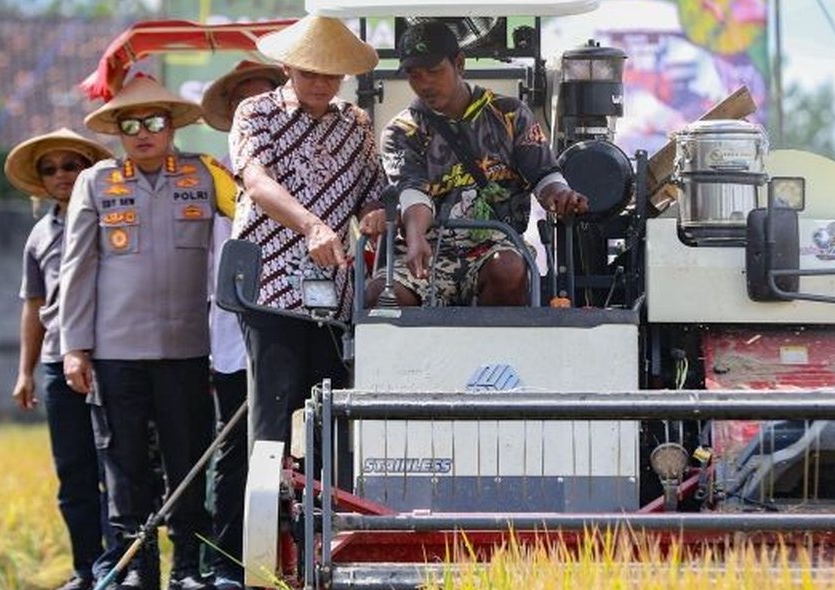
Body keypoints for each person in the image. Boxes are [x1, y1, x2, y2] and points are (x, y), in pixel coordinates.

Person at [59, 75, 237, 590]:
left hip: (186, 348)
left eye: (154, 121)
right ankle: (136, 569)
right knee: (125, 464)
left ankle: (187, 570)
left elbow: (248, 218)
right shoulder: (96, 182)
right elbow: (77, 268)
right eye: (130, 124)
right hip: (116, 350)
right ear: (117, 131)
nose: (142, 133)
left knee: (188, 461)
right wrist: (74, 346)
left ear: (171, 125)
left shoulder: (204, 175)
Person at [230, 14, 386, 450]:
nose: (320, 83)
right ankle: (271, 491)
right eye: (310, 72)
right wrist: (312, 226)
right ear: (287, 68)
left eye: (331, 74)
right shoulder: (255, 112)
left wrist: (375, 214)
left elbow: (373, 192)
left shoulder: (356, 123)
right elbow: (257, 182)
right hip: (270, 285)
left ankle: (324, 493)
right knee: (273, 411)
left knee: (330, 412)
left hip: (333, 292)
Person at [366, 21, 588, 308]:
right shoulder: (401, 131)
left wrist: (561, 195)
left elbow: (544, 175)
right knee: (381, 294)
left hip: (496, 243)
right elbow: (412, 193)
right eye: (414, 75)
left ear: (459, 64)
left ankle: (499, 340)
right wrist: (416, 235)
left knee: (507, 267)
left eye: (434, 71)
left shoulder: (510, 114)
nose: (425, 84)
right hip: (427, 249)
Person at [5, 128, 115, 590]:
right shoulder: (40, 234)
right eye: (50, 170)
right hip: (56, 360)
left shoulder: (111, 218)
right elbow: (33, 306)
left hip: (109, 353)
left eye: (71, 166)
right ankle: (86, 567)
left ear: (88, 170)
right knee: (73, 471)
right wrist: (25, 371)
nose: (61, 176)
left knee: (117, 467)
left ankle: (119, 566)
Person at [200, 59, 283, 590]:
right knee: (234, 451)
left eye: (265, 100)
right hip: (230, 335)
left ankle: (283, 561)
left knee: (292, 453)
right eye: (245, 103)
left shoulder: (307, 164)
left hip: (293, 325)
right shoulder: (209, 181)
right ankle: (226, 562)